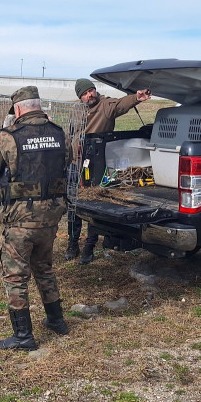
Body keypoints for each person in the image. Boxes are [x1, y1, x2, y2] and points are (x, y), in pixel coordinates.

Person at [0, 86, 70, 350]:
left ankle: (23, 336)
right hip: (51, 216)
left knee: (16, 275)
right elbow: (67, 162)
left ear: (17, 109)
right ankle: (56, 321)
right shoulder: (60, 134)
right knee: (44, 267)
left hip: (21, 219)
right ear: (38, 106)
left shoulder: (8, 137)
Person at [66, 78, 151, 264]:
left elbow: (121, 105)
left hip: (95, 164)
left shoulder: (105, 105)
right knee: (73, 206)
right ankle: (72, 244)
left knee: (93, 203)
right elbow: (70, 134)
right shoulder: (76, 110)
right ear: (79, 96)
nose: (90, 95)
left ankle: (89, 246)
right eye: (85, 93)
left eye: (91, 90)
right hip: (75, 164)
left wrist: (136, 97)